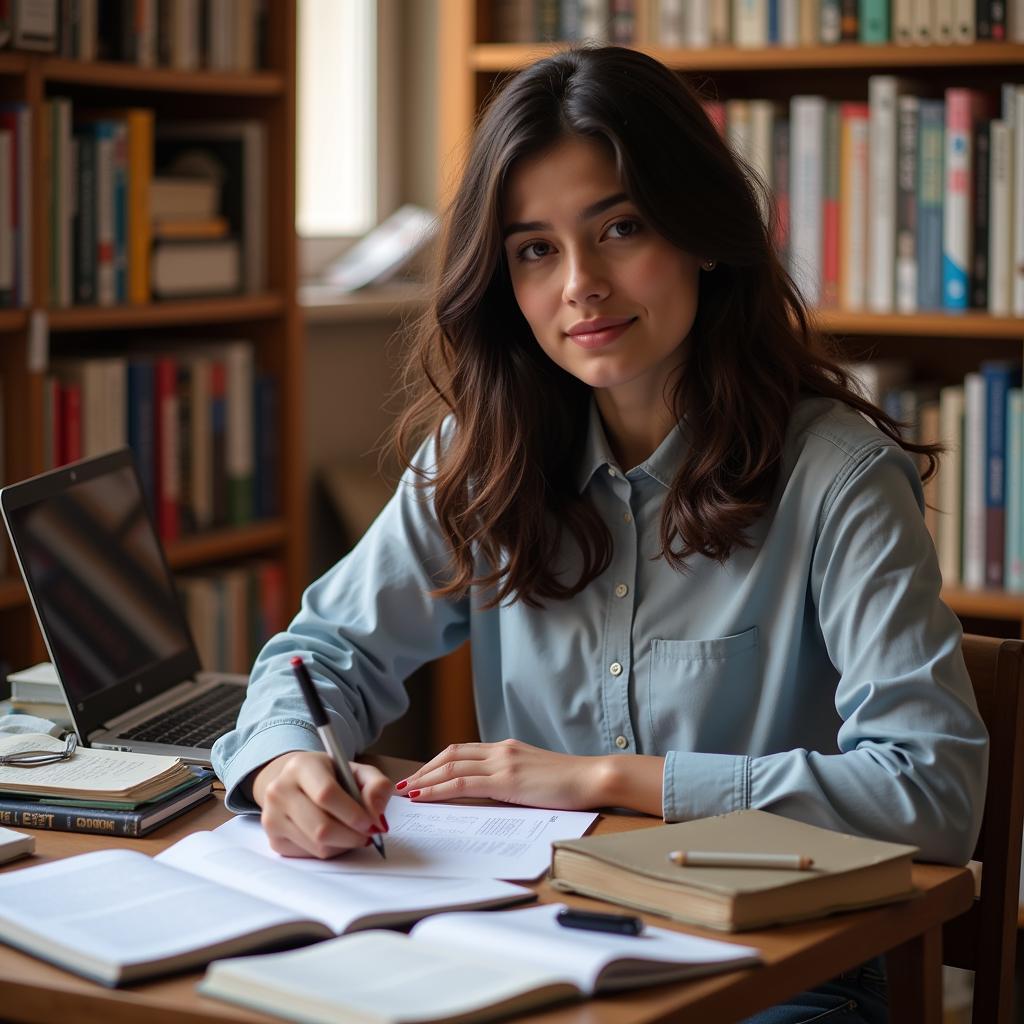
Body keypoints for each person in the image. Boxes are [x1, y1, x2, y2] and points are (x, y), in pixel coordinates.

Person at [213, 46, 987, 1024]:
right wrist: (284, 762)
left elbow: (931, 790)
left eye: (619, 227)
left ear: (703, 233)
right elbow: (321, 654)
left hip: (780, 968)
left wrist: (600, 778)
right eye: (534, 247)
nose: (580, 283)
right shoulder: (482, 457)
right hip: (534, 938)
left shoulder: (839, 479)